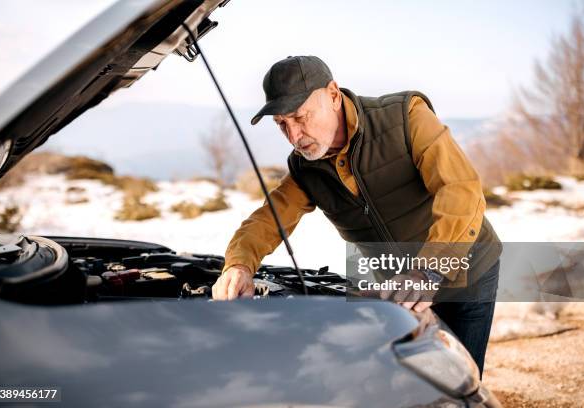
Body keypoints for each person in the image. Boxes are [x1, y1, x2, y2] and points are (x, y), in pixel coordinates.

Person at [211, 55, 502, 374]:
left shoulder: (405, 117)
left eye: (300, 117)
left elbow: (459, 188)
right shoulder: (306, 168)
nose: (294, 136)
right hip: (400, 289)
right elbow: (268, 219)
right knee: (412, 381)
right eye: (282, 124)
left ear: (333, 95)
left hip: (467, 272)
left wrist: (427, 271)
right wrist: (238, 264)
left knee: (459, 381)